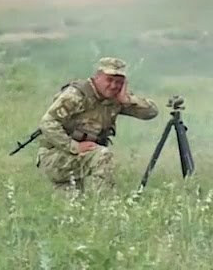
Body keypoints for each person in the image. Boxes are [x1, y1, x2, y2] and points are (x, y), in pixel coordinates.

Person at [35, 56, 160, 192]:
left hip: (79, 158)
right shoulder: (76, 95)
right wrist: (74, 146)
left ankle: (95, 209)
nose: (113, 86)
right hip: (56, 157)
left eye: (119, 82)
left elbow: (151, 113)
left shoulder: (116, 98)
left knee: (73, 208)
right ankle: (106, 206)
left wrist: (127, 100)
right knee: (102, 156)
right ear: (98, 77)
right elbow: (48, 122)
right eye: (109, 80)